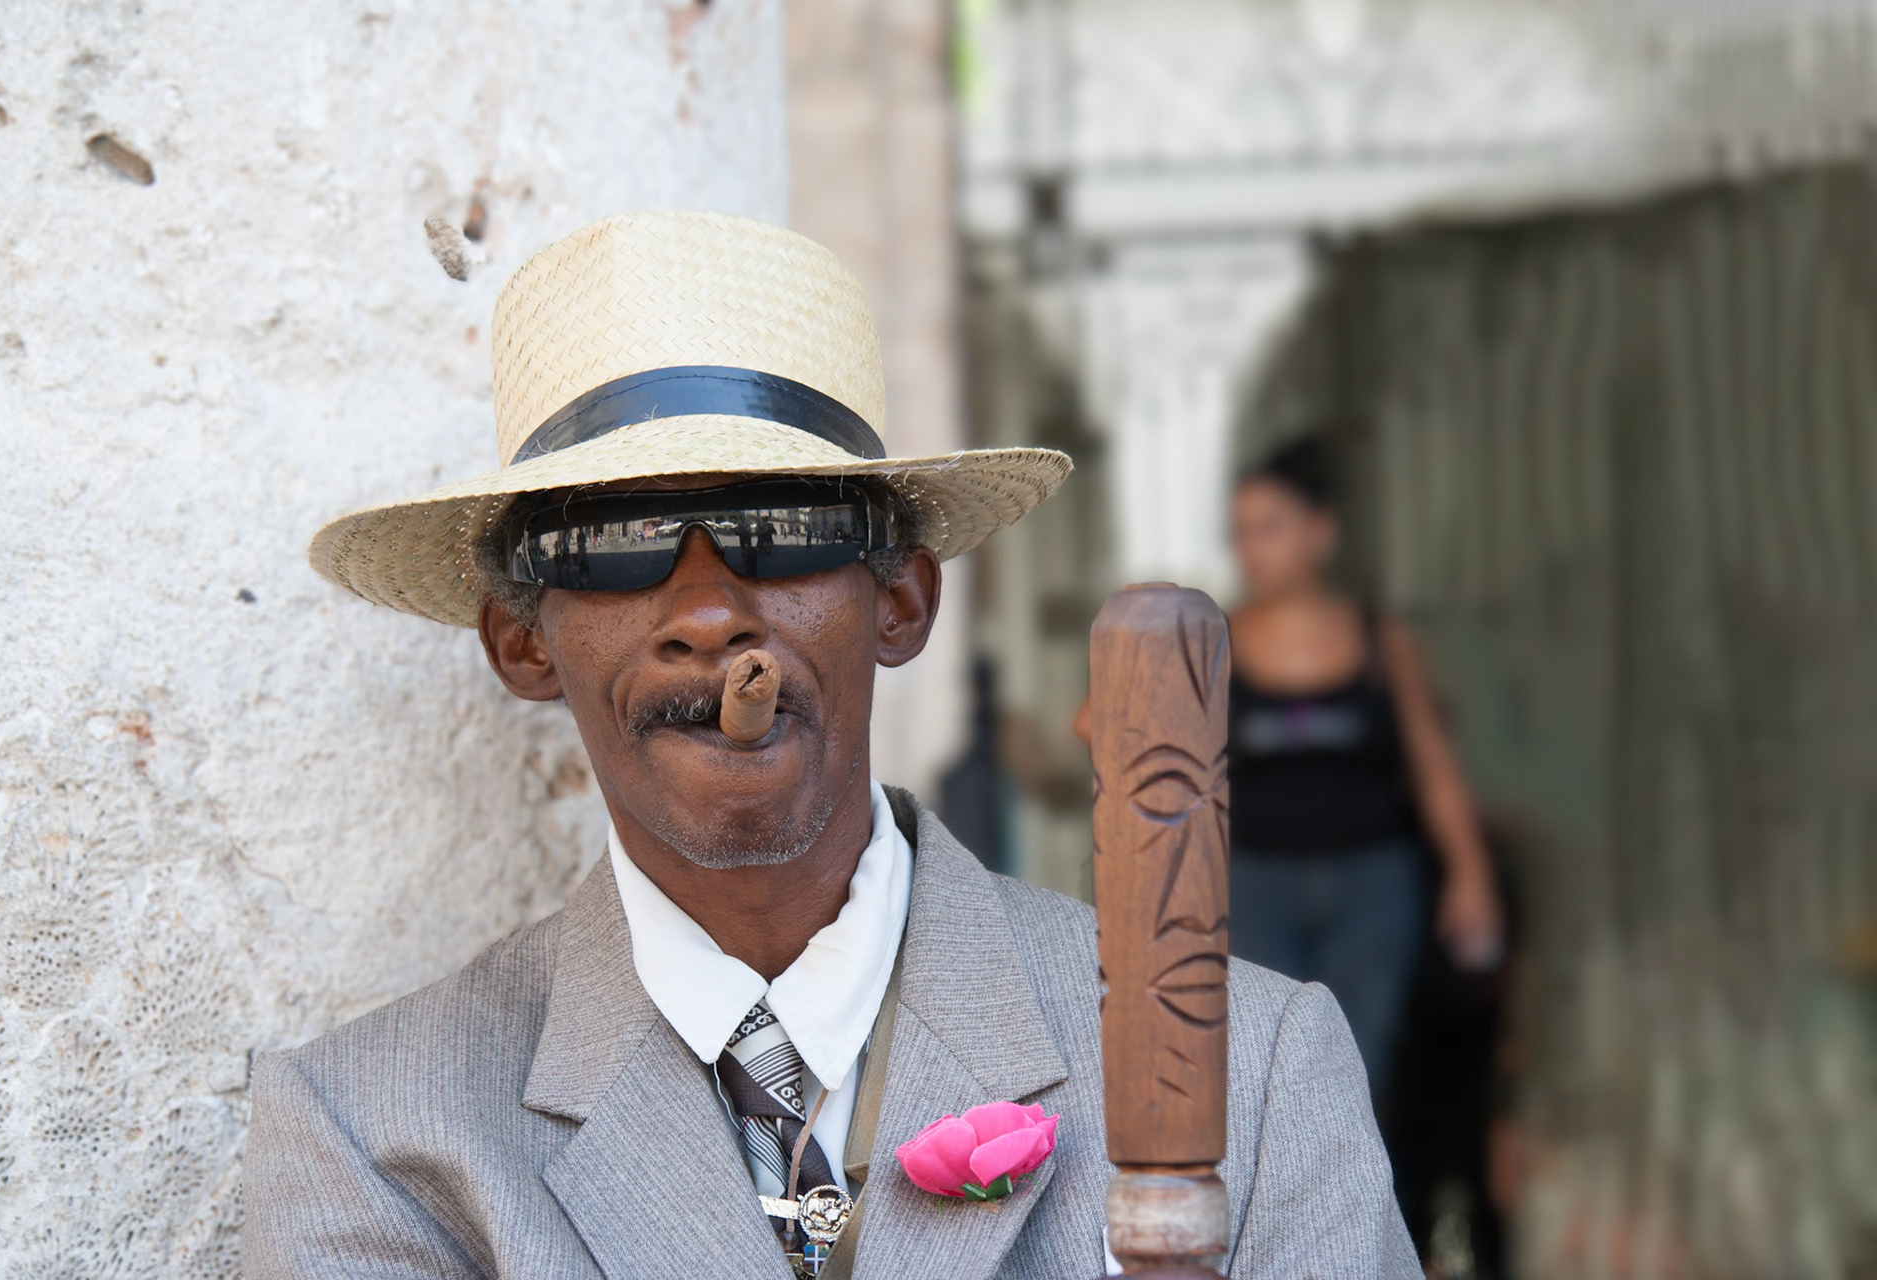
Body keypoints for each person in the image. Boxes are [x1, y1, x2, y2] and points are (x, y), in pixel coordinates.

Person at [241, 213, 1422, 1279]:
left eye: (784, 525)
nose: (710, 614)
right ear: (523, 642)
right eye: (618, 538)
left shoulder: (1252, 1072)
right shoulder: (375, 1133)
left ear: (900, 602)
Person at [1225, 436, 1503, 1103]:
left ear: (1321, 533)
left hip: (1372, 885)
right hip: (1256, 885)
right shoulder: (1216, 641)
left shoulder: (1382, 641)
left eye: (1269, 528)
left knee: (1361, 1057)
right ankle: (1280, 1181)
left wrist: (1471, 875)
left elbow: (1433, 765)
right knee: (1263, 1061)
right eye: (1241, 532)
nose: (1250, 549)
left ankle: (1350, 1178)